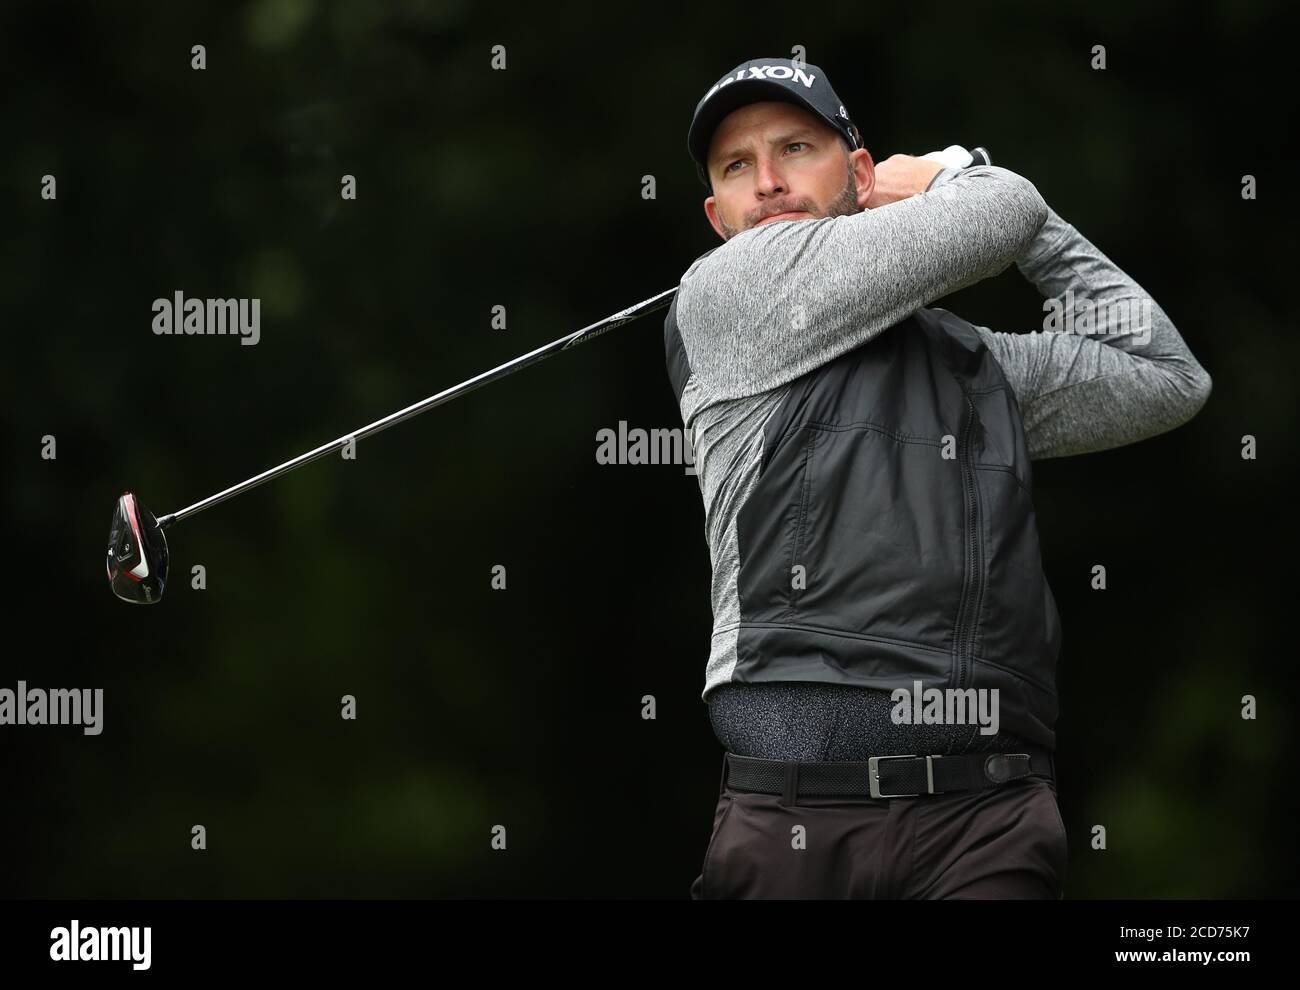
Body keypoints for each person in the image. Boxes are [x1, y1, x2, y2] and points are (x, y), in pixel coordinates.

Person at [665, 57, 1213, 899]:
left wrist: (1020, 221)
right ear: (716, 216)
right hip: (791, 826)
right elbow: (1002, 211)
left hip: (985, 822)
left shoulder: (975, 364)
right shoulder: (724, 297)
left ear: (858, 175)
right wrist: (957, 175)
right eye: (737, 167)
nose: (768, 183)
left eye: (795, 148)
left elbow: (1164, 375)